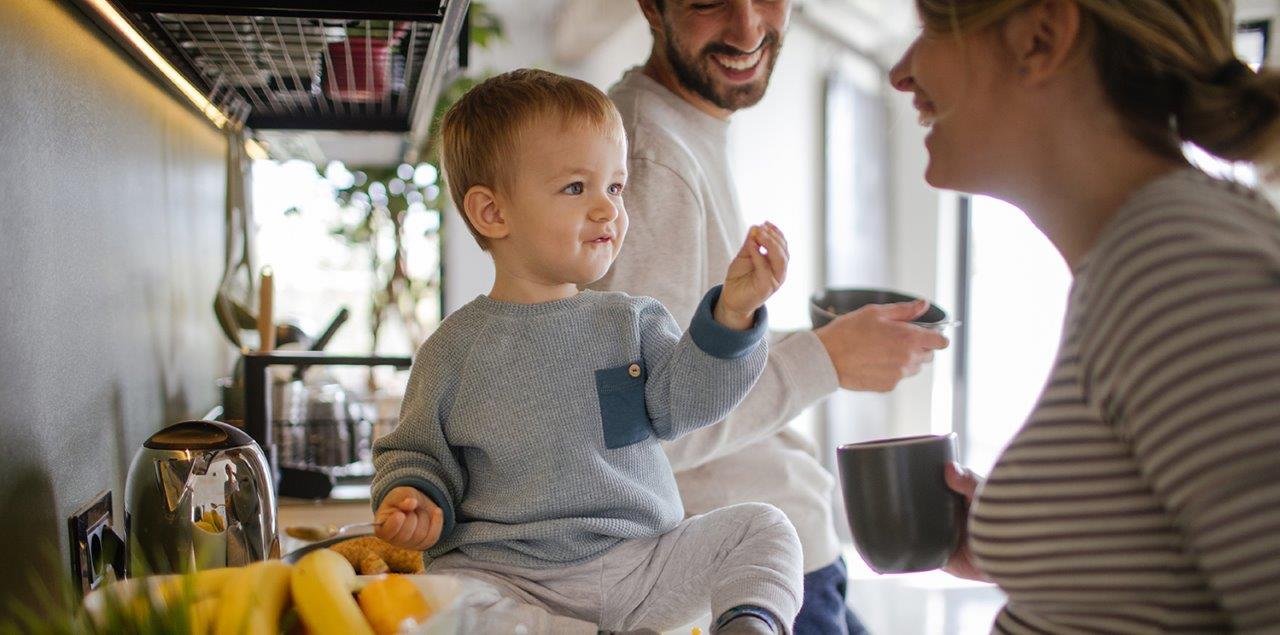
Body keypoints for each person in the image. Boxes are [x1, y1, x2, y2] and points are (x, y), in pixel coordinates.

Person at [890, 0, 1280, 631]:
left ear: (1040, 39)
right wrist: (1044, 533)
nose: (901, 73)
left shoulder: (1176, 266)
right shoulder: (1147, 260)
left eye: (932, 27)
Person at [370, 68, 804, 635]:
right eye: (577, 188)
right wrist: (414, 498)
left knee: (766, 528)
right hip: (507, 576)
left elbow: (689, 402)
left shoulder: (632, 320)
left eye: (615, 187)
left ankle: (749, 626)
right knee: (445, 600)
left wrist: (733, 315)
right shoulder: (451, 351)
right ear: (492, 213)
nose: (608, 210)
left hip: (641, 566)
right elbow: (417, 454)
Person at [594, 2, 950, 632]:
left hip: (781, 557)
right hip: (748, 577)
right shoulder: (653, 160)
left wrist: (822, 343)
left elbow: (684, 356)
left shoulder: (679, 129)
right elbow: (643, 429)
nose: (748, 28)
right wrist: (827, 359)